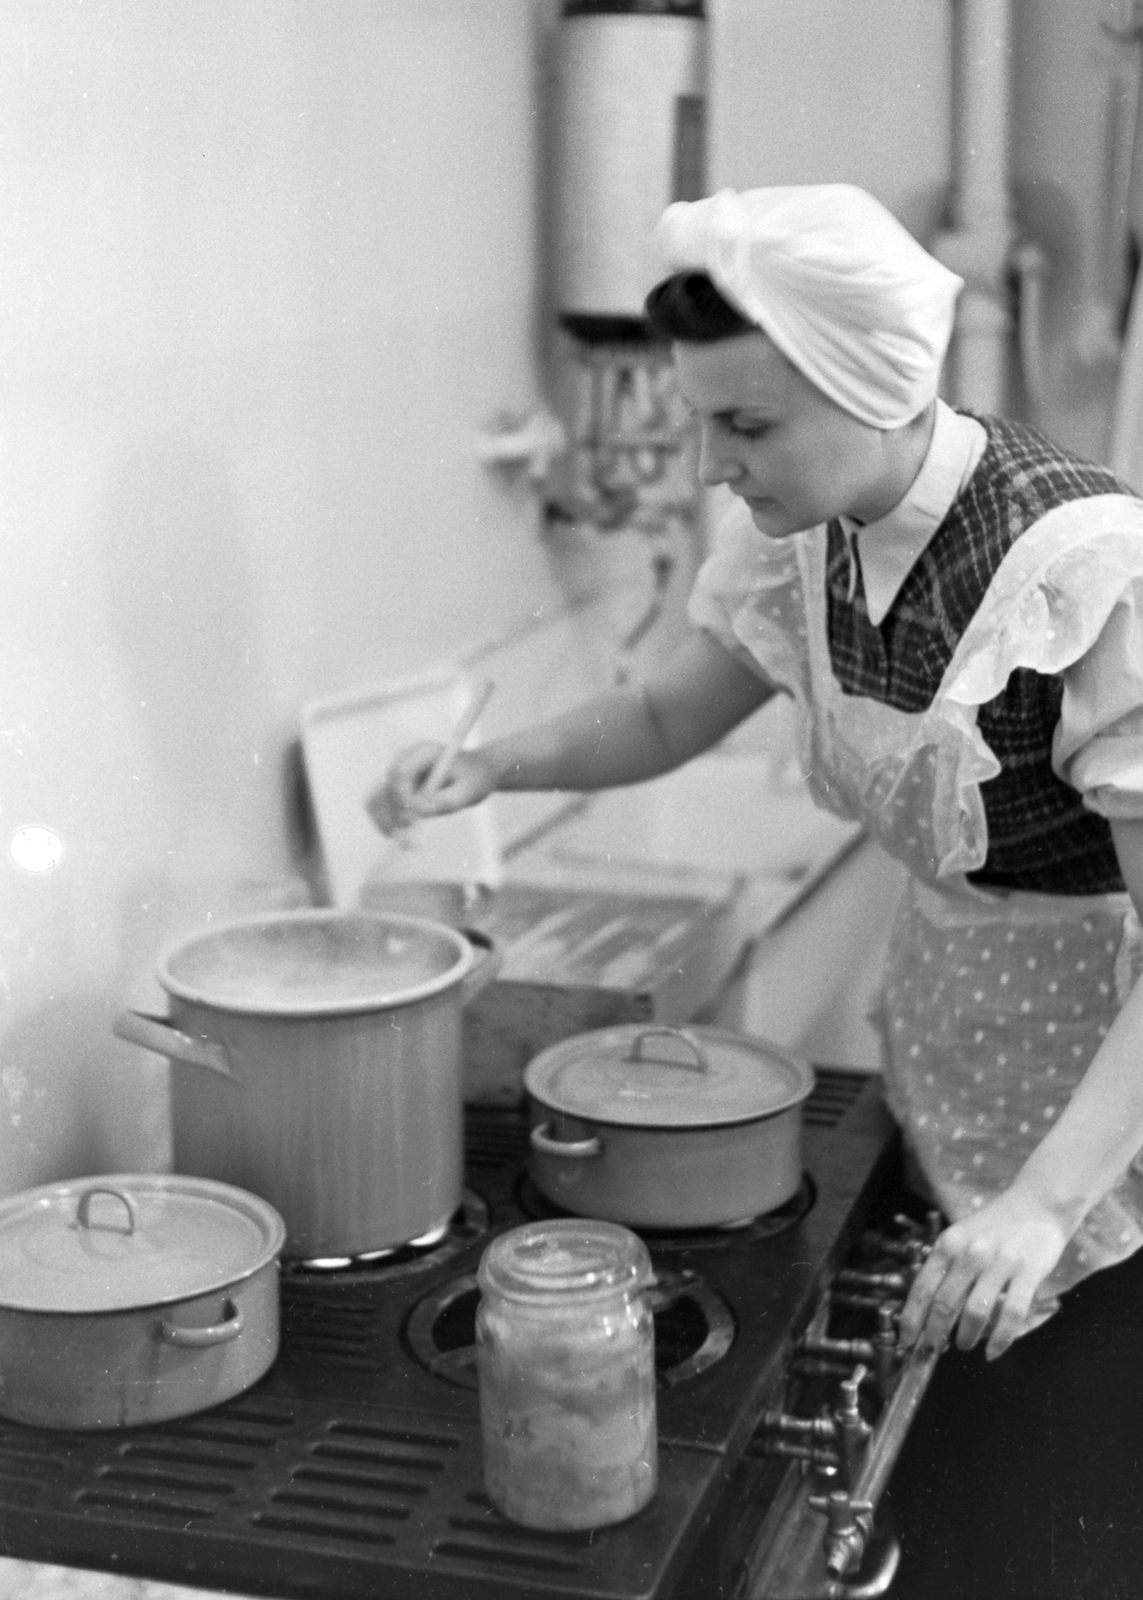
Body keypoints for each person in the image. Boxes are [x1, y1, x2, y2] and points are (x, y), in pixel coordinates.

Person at [370, 184, 1143, 1373]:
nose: (712, 464)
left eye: (747, 426)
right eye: (700, 420)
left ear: (876, 385)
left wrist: (1043, 1206)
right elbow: (663, 711)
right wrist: (488, 765)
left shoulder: (1083, 573)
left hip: (1110, 1087)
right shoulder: (803, 540)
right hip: (960, 1022)